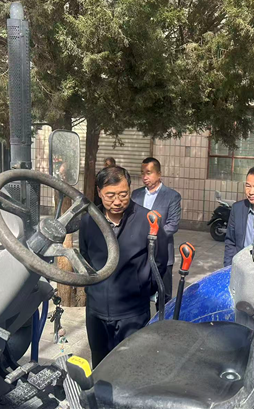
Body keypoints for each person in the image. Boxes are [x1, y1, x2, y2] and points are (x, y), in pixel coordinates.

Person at [80, 166, 168, 367]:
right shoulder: (88, 221)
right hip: (96, 310)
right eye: (110, 195)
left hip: (133, 312)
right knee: (100, 366)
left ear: (130, 189)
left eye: (123, 194)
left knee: (131, 366)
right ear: (99, 192)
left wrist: (143, 287)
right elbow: (85, 257)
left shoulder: (148, 220)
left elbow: (160, 261)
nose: (118, 201)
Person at [131, 157, 181, 306]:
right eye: (142, 173)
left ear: (159, 173)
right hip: (139, 255)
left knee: (163, 297)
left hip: (163, 255)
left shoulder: (172, 196)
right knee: (139, 293)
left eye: (148, 173)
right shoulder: (135, 195)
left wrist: (151, 238)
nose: (144, 177)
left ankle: (162, 321)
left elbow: (172, 225)